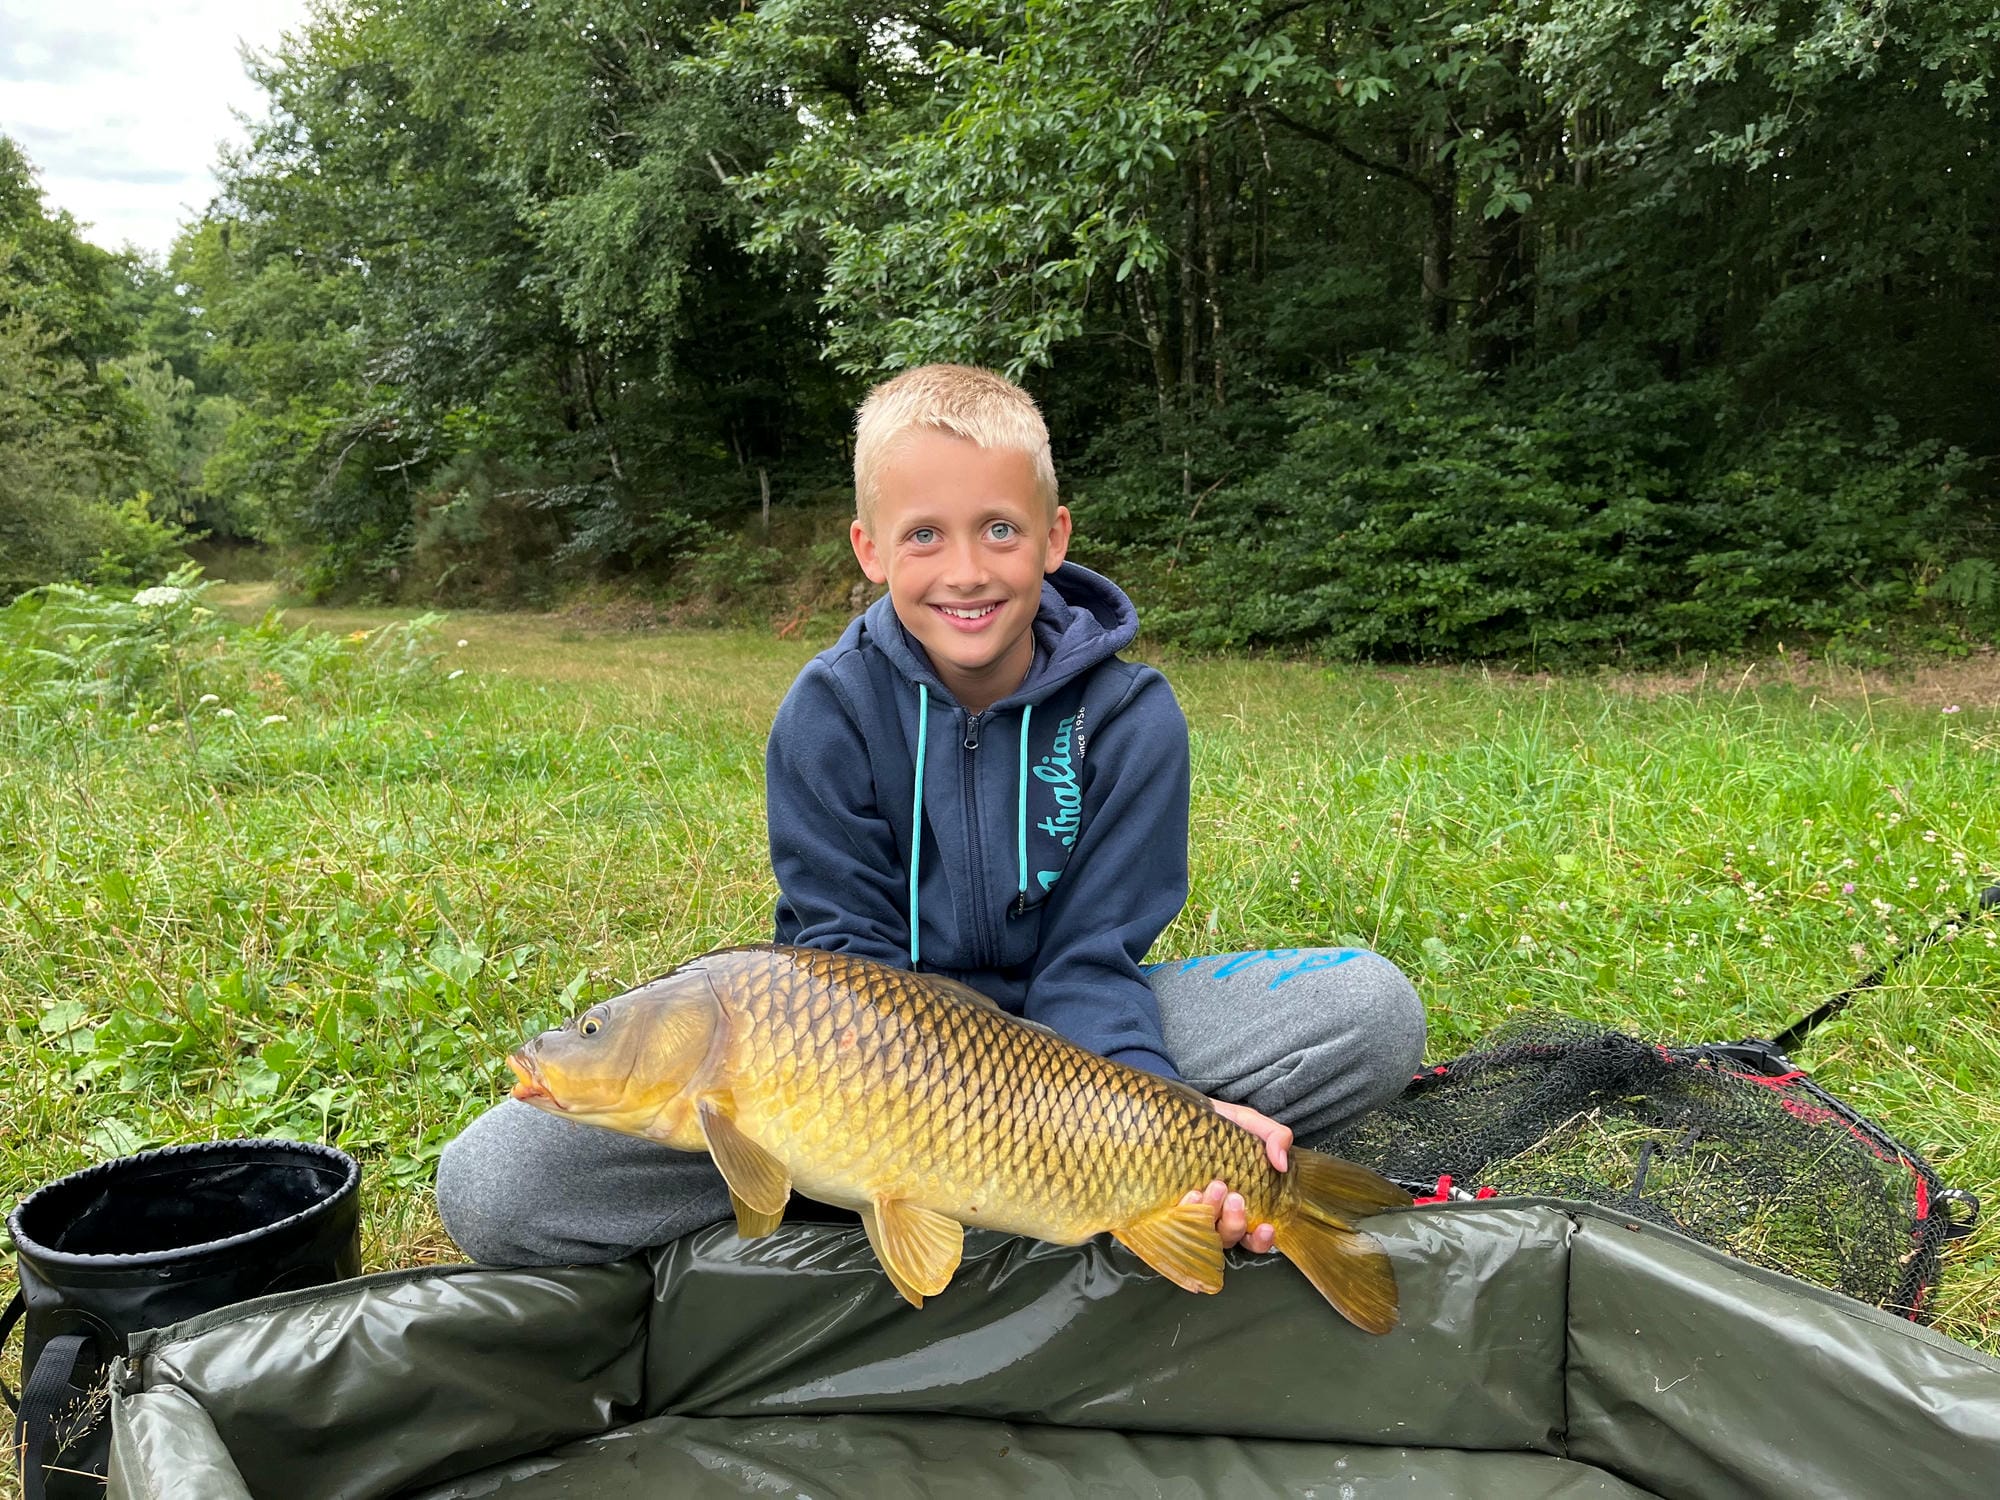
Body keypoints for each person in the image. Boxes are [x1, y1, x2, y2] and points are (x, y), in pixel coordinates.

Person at [435, 363, 1424, 1266]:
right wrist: (878, 1134)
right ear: (868, 550)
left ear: (1053, 538)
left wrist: (1159, 1111)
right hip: (853, 1070)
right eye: (923, 535)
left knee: (1368, 1011)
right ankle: (936, 1188)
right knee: (495, 1189)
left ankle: (1078, 1176)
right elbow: (843, 955)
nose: (965, 570)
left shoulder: (1130, 720)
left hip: (1069, 1051)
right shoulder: (827, 714)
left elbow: (1092, 960)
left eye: (999, 528)